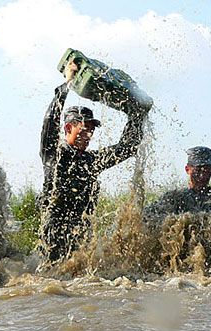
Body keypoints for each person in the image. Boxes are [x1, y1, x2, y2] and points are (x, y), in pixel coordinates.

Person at [38, 60, 150, 262]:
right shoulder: (53, 155)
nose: (88, 134)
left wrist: (137, 116)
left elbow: (127, 148)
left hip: (82, 244)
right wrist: (68, 84)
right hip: (53, 242)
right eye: (83, 128)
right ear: (68, 128)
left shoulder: (91, 161)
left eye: (91, 129)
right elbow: (49, 123)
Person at [143, 146, 211, 218]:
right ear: (187, 169)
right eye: (198, 170)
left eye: (206, 170)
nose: (202, 176)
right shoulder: (175, 198)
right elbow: (147, 216)